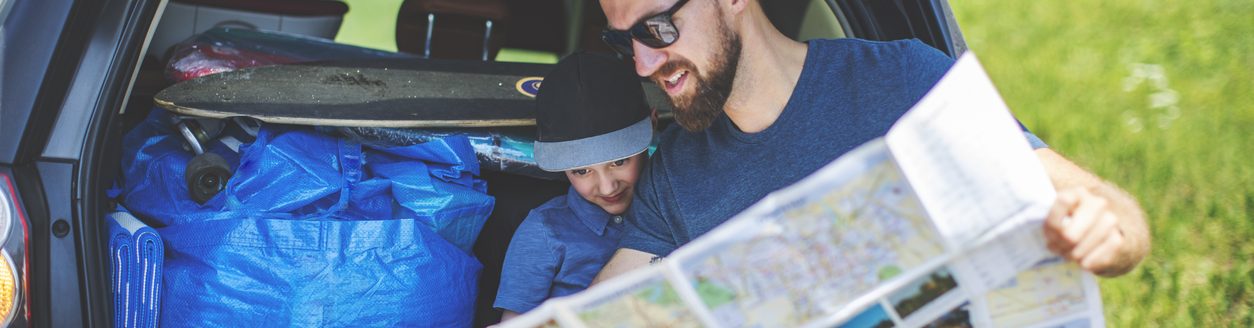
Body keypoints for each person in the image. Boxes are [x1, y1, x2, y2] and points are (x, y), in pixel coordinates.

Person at [591, 0, 1150, 283]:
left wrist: (1103, 232)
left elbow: (1114, 218)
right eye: (623, 44)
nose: (643, 64)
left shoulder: (900, 80)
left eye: (656, 29)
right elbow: (606, 307)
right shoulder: (674, 174)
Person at [493, 52, 655, 321]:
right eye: (582, 171)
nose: (607, 187)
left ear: (653, 123)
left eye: (619, 161)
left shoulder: (672, 208)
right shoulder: (544, 231)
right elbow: (515, 322)